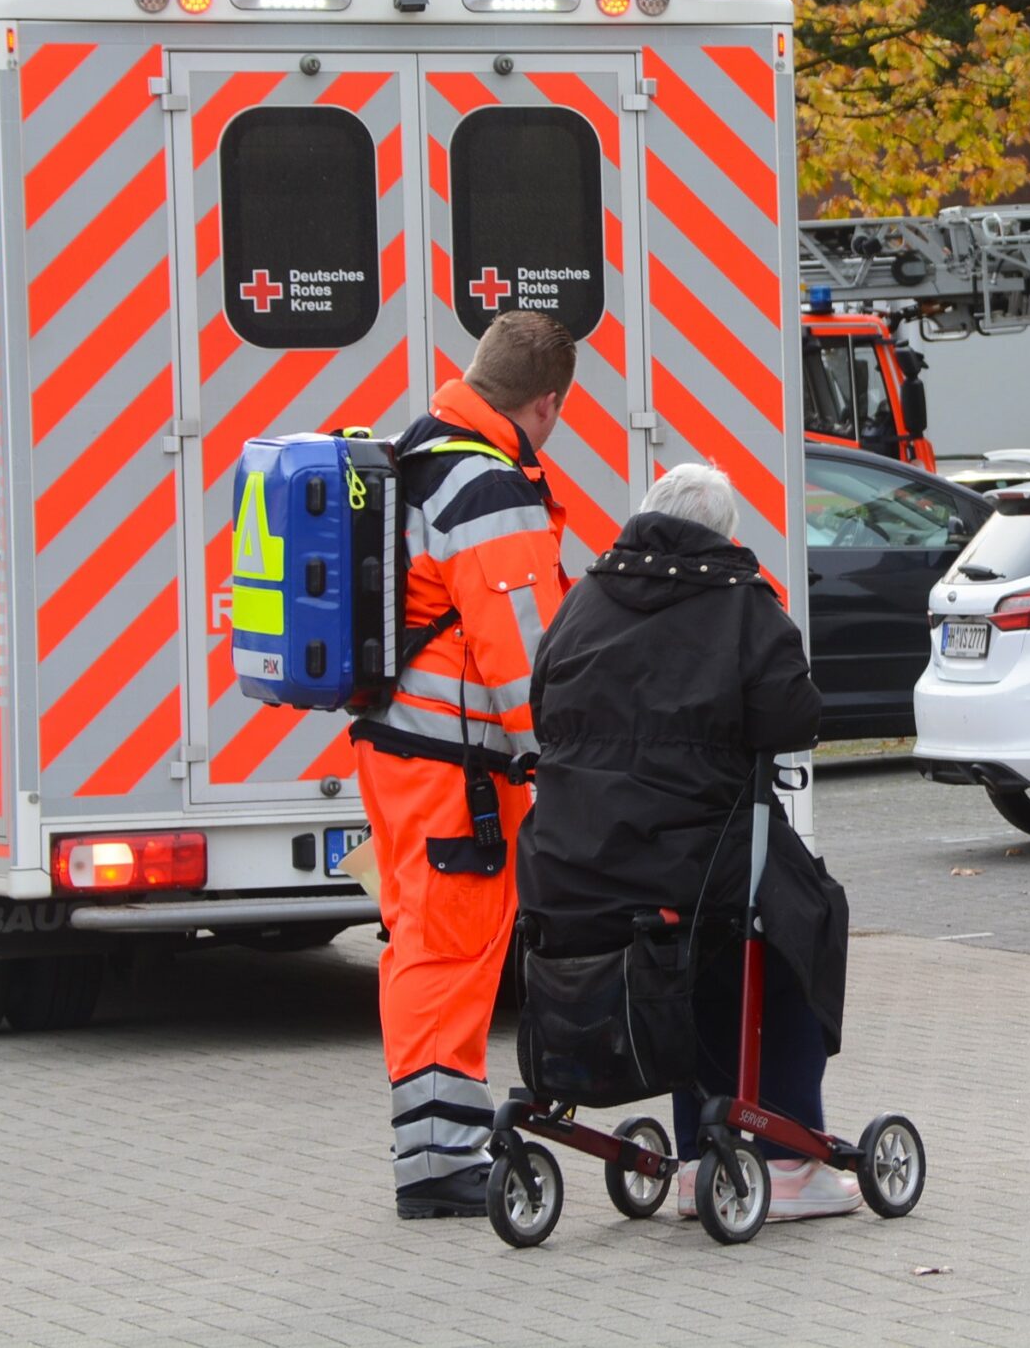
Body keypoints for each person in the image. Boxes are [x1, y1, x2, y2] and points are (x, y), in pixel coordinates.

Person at [519, 462, 858, 1223]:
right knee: (802, 922)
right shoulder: (742, 605)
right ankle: (787, 1156)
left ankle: (693, 1151)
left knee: (698, 940)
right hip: (691, 862)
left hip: (571, 864)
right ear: (725, 534)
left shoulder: (582, 600)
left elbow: (542, 702)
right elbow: (795, 718)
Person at [350, 311, 575, 1219]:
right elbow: (522, 657)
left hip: (399, 749)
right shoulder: (487, 488)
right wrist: (558, 761)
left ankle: (432, 1143)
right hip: (459, 767)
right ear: (547, 401)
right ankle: (441, 1162)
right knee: (450, 948)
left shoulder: (417, 452)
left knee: (418, 939)